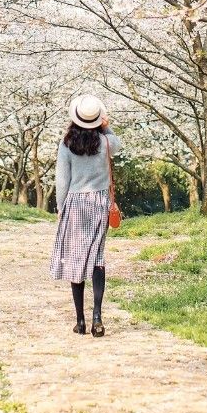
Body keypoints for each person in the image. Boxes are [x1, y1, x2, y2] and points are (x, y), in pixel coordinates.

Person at [49, 94, 121, 337]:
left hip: (76, 203)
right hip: (99, 202)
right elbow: (117, 145)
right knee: (97, 257)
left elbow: (62, 180)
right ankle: (97, 316)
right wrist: (106, 126)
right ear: (97, 119)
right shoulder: (106, 142)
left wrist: (61, 207)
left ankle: (80, 321)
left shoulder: (67, 144)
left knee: (76, 258)